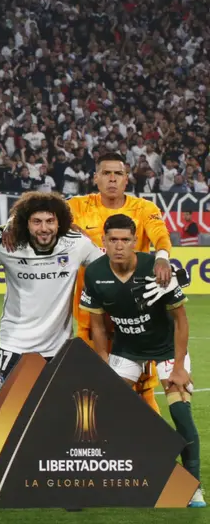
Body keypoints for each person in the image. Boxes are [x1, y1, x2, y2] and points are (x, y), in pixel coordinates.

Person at [80, 214, 203, 508]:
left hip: (166, 350)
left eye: (125, 240)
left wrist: (179, 367)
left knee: (181, 413)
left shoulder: (156, 269)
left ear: (135, 241)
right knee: (106, 412)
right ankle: (129, 473)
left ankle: (192, 486)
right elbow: (96, 324)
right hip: (126, 349)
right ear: (104, 241)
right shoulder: (94, 273)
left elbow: (181, 321)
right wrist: (102, 361)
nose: (119, 246)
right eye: (113, 240)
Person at [64, 153, 177, 414]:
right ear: (96, 178)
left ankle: (157, 451)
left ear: (127, 179)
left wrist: (162, 257)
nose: (112, 179)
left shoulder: (144, 209)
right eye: (106, 173)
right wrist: (13, 225)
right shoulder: (76, 207)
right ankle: (102, 449)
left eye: (118, 174)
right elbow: (40, 214)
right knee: (92, 386)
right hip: (90, 318)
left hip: (135, 320)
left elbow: (161, 235)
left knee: (142, 389)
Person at [0, 192, 100, 392]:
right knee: (7, 416)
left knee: (58, 414)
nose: (44, 228)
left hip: (60, 350)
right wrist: (9, 224)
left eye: (50, 221)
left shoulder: (77, 244)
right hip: (15, 346)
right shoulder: (8, 245)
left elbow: (108, 267)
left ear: (60, 223)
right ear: (26, 223)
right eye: (37, 221)